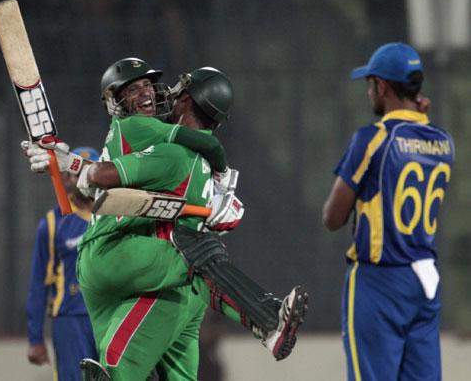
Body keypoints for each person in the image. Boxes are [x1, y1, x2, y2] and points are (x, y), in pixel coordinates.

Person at [25, 62, 307, 380]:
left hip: (147, 271)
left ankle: (268, 321)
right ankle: (267, 320)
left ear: (186, 99)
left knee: (131, 366)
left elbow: (106, 174)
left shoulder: (169, 150)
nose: (150, 92)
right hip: (147, 269)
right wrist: (73, 164)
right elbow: (213, 170)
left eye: (149, 86)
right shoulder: (166, 145)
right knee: (198, 252)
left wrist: (71, 163)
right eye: (134, 89)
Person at [322, 42, 454, 381]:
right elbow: (415, 138)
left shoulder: (372, 138)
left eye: (370, 84)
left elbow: (332, 218)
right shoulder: (443, 141)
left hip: (379, 281)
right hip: (425, 281)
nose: (369, 93)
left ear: (381, 86)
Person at [26, 146, 100, 381]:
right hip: (70, 318)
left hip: (109, 315)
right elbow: (39, 283)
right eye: (77, 173)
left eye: (89, 172)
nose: (82, 180)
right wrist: (35, 338)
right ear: (67, 177)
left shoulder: (114, 216)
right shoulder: (52, 223)